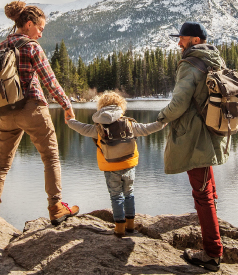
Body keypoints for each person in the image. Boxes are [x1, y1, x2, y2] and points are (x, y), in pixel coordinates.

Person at [0, 0, 79, 232]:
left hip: (5, 112)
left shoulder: (0, 47)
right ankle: (56, 209)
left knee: (1, 164)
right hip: (33, 109)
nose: (41, 34)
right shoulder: (32, 47)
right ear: (28, 24)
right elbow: (49, 80)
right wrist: (66, 105)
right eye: (40, 28)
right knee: (51, 158)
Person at [156, 22, 228, 271]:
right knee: (208, 189)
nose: (179, 43)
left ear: (196, 40)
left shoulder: (190, 64)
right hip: (212, 133)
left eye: (183, 39)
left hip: (194, 138)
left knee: (202, 194)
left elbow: (178, 104)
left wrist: (161, 117)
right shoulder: (215, 60)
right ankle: (215, 238)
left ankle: (212, 253)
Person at [66, 91, 166, 237]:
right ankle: (130, 226)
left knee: (116, 196)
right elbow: (147, 128)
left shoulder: (99, 128)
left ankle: (119, 228)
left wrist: (70, 121)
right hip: (128, 164)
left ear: (101, 107)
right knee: (129, 194)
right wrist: (162, 123)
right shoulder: (129, 124)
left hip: (110, 167)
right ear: (121, 106)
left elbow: (82, 128)